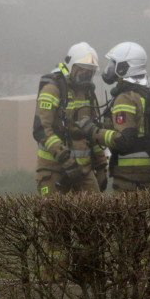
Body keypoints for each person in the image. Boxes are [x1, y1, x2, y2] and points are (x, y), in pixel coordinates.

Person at [77, 41, 150, 193]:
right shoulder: (144, 93)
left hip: (129, 173)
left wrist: (93, 131)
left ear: (124, 67)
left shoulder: (126, 98)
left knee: (123, 210)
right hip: (148, 170)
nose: (110, 68)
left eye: (114, 64)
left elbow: (123, 140)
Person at [33, 42, 107, 195]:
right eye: (82, 70)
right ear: (71, 66)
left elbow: (92, 131)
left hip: (83, 170)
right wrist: (66, 160)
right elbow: (41, 129)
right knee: (54, 210)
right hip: (53, 170)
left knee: (97, 209)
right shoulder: (52, 89)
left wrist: (101, 166)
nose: (86, 75)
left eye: (90, 71)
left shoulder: (88, 94)